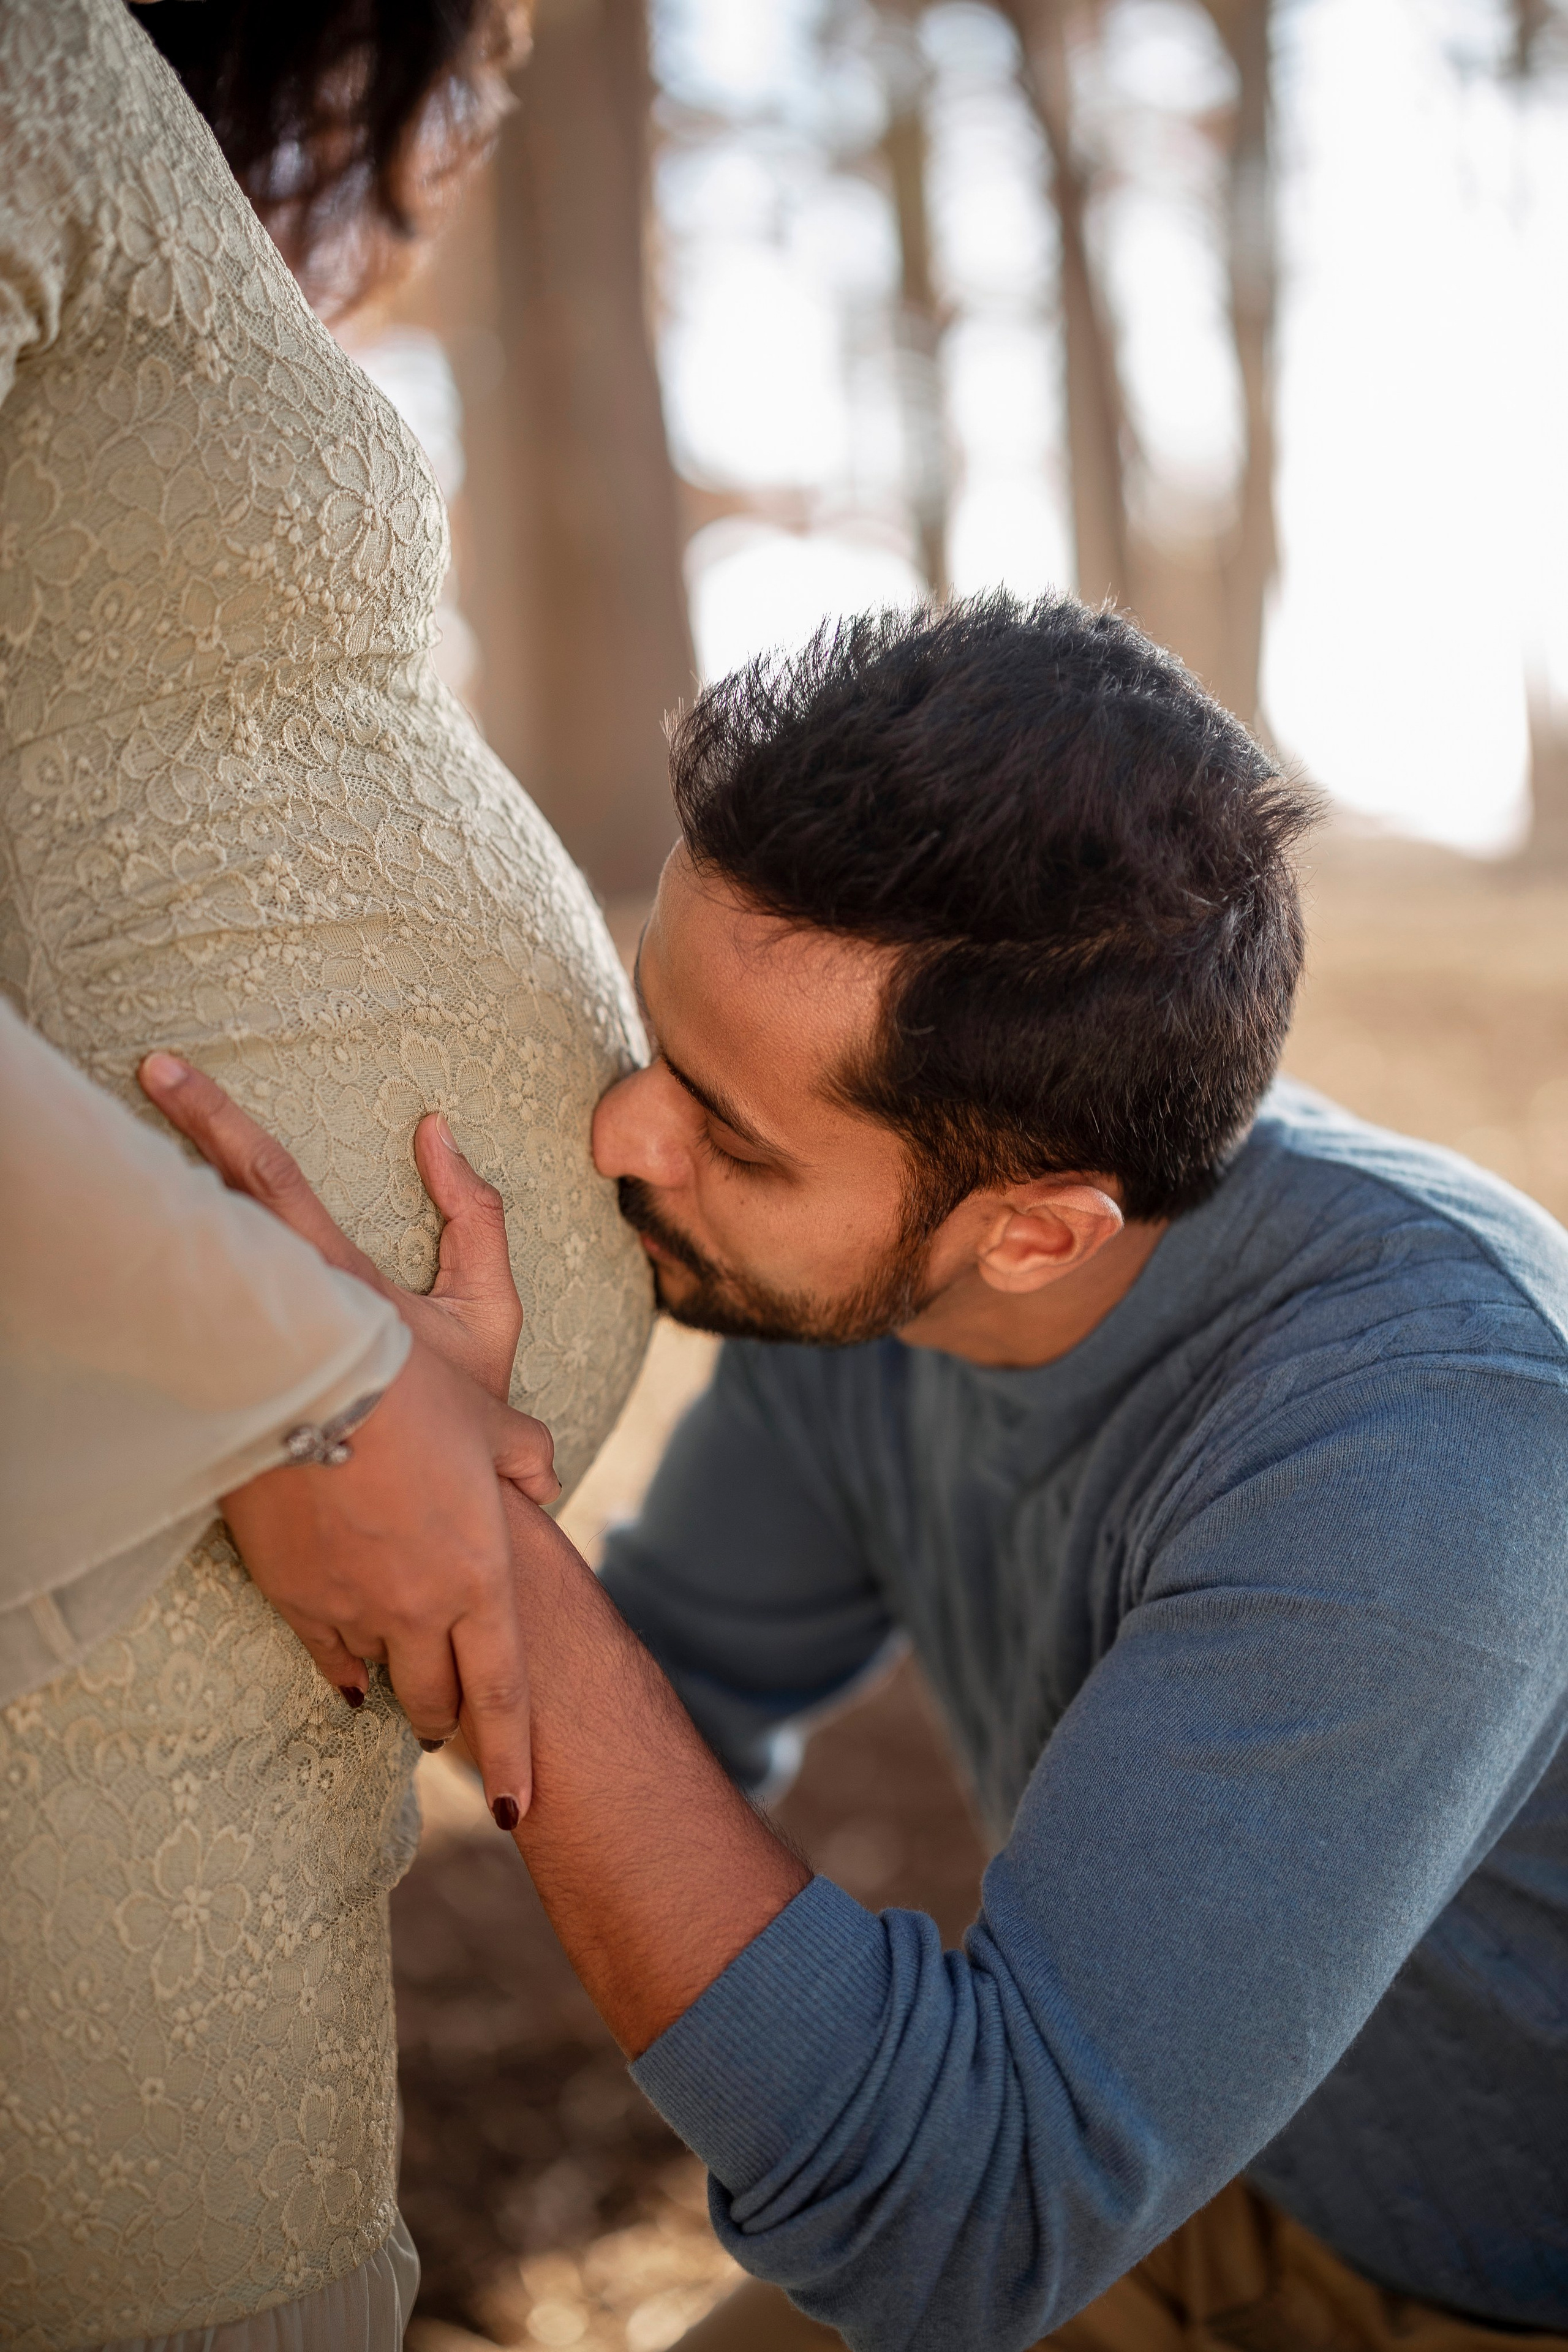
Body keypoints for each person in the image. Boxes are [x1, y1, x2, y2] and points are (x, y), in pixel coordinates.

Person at [169, 597, 1568, 2352]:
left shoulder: (1435, 1445)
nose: (622, 1134)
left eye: (728, 1135)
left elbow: (961, 2223)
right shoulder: (881, 1306)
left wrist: (465, 1531)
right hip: (1209, 2189)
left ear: (1038, 1233)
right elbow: (666, 1700)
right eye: (652, 1039)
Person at [0, 0, 652, 2340]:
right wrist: (312, 1376)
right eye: (486, 32)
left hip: (206, 1639)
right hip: (94, 1595)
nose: (495, 84)